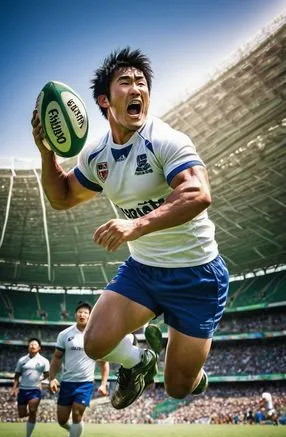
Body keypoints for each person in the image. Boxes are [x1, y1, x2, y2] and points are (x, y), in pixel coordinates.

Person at [32, 47, 229, 411]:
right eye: (126, 82)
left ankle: (195, 373)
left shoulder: (165, 139)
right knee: (94, 342)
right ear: (104, 100)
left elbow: (198, 193)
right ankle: (139, 361)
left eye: (142, 82)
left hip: (197, 274)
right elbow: (60, 197)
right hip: (144, 269)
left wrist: (136, 224)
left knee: (178, 388)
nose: (137, 88)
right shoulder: (96, 156)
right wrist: (47, 153)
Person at [49, 301, 109, 437]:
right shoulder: (64, 334)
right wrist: (52, 378)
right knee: (62, 420)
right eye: (80, 312)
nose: (82, 315)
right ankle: (72, 432)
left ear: (90, 316)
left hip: (85, 383)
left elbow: (104, 363)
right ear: (75, 314)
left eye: (86, 313)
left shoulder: (96, 335)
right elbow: (56, 358)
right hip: (67, 382)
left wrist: (103, 383)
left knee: (77, 414)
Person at [11, 337, 50, 437]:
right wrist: (14, 388)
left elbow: (48, 374)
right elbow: (16, 376)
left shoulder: (44, 361)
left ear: (39, 348)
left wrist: (42, 380)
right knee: (21, 414)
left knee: (32, 410)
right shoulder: (22, 360)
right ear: (28, 347)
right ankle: (32, 414)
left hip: (35, 390)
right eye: (31, 344)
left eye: (35, 344)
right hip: (23, 390)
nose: (32, 345)